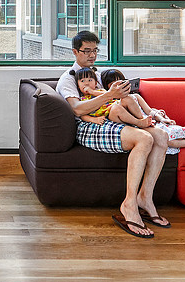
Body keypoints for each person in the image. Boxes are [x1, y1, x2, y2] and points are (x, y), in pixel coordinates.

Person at [55, 30, 170, 239]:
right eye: (86, 51)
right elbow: (77, 110)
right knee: (144, 138)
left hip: (110, 117)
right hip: (89, 125)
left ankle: (145, 197)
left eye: (95, 50)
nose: (92, 55)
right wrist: (110, 95)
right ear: (75, 52)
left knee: (161, 136)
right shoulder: (68, 79)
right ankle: (129, 204)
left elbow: (115, 100)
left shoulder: (99, 75)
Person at [98, 69, 185, 154]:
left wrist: (162, 119)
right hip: (138, 129)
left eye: (121, 82)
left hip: (152, 124)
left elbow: (150, 111)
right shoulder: (113, 104)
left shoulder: (135, 96)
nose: (118, 87)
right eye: (113, 84)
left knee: (170, 136)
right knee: (168, 142)